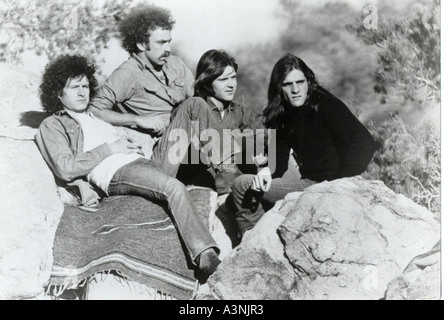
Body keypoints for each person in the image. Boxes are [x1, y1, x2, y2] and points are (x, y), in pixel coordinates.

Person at [35, 54, 221, 277]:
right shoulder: (53, 124)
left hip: (146, 162)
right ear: (58, 92)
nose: (83, 92)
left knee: (194, 105)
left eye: (85, 86)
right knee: (174, 187)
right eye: (75, 87)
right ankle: (206, 255)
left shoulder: (96, 117)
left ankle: (229, 164)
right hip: (117, 172)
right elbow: (65, 166)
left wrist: (130, 141)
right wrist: (111, 148)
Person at [218, 53, 376, 243]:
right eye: (287, 84)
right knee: (244, 185)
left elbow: (365, 144)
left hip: (330, 186)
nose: (295, 89)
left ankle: (255, 240)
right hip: (308, 185)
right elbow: (280, 160)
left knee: (241, 184)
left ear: (308, 82)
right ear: (279, 88)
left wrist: (340, 184)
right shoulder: (282, 115)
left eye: (300, 82)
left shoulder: (326, 104)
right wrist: (267, 171)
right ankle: (257, 239)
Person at [151, 49, 261, 194]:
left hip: (234, 177)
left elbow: (259, 143)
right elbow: (184, 157)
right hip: (194, 177)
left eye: (233, 78)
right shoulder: (188, 111)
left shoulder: (241, 112)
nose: (231, 84)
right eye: (223, 79)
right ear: (207, 82)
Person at [88, 4, 194, 137]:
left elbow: (197, 101)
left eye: (168, 42)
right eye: (161, 43)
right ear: (141, 44)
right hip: (167, 142)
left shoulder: (176, 63)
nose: (168, 49)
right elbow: (94, 111)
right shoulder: (126, 73)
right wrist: (136, 119)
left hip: (193, 130)